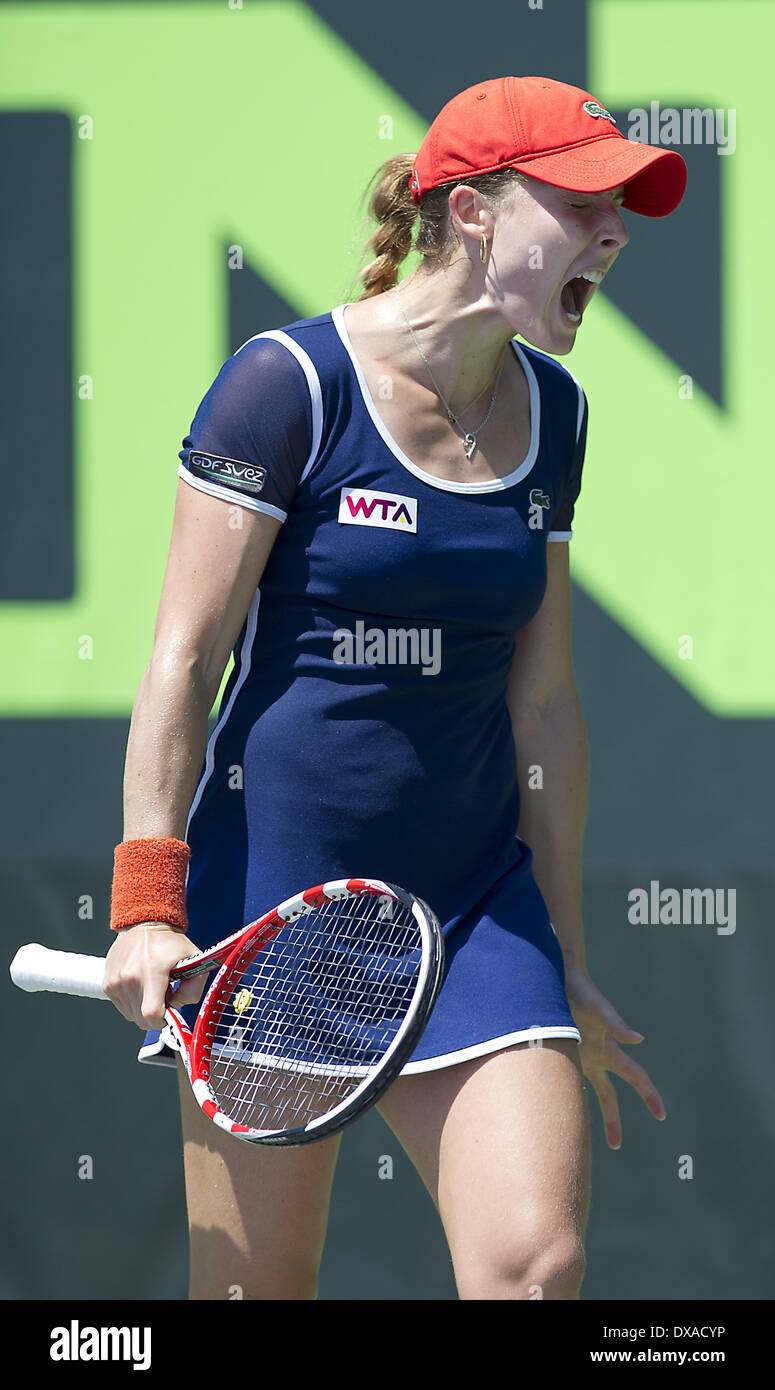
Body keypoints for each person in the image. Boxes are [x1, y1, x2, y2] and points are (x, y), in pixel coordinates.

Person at [102, 75, 687, 1300]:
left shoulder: (558, 416)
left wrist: (564, 952)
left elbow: (543, 704)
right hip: (269, 912)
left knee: (536, 1269)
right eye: (583, 203)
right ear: (473, 210)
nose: (614, 232)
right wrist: (148, 904)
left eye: (621, 209)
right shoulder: (285, 386)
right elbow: (183, 656)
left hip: (476, 904)